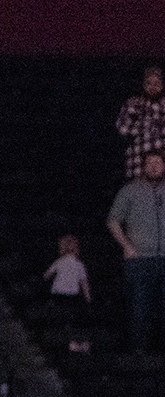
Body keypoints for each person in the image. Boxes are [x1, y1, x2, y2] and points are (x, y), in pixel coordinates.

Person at [109, 150, 165, 355]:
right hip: (139, 260)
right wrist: (126, 246)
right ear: (143, 166)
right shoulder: (130, 191)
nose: (154, 166)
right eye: (150, 163)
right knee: (139, 307)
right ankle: (138, 352)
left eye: (158, 162)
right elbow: (113, 220)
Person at [118, 66, 165, 180]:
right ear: (144, 85)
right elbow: (123, 129)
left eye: (156, 83)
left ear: (162, 85)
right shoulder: (134, 103)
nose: (152, 87)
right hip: (137, 163)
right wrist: (148, 126)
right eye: (149, 83)